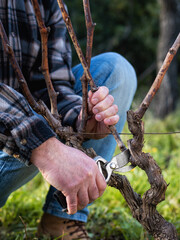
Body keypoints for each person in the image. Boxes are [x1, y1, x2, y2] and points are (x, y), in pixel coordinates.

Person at [0, 0, 137, 239]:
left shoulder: (45, 3)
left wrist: (82, 118)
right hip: (14, 139)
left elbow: (50, 86)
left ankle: (62, 220)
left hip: (23, 133)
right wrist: (45, 149)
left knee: (116, 69)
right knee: (33, 135)